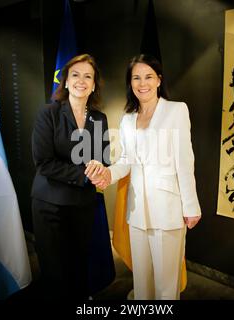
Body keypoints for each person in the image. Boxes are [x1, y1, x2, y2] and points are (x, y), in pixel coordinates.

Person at [85, 54, 201, 300]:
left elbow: (185, 160)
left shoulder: (176, 110)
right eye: (136, 78)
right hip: (137, 211)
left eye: (148, 76)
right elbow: (126, 161)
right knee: (142, 281)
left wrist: (191, 206)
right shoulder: (127, 119)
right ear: (130, 83)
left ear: (159, 80)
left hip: (169, 210)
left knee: (166, 286)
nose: (142, 83)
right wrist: (107, 173)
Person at [31, 54, 110, 299]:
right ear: (65, 81)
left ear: (94, 84)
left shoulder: (99, 119)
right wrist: (86, 174)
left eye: (88, 76)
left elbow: (102, 159)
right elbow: (44, 162)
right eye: (75, 75)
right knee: (56, 273)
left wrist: (101, 170)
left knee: (78, 268)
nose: (81, 81)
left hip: (83, 205)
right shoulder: (49, 113)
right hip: (50, 206)